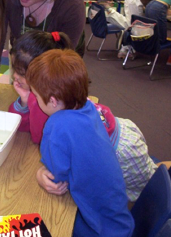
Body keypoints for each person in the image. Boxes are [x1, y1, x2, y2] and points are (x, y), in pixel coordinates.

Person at [9, 30, 157, 202]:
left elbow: (37, 137)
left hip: (120, 153)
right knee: (150, 171)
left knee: (150, 191)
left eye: (20, 74)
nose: (14, 77)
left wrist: (41, 173)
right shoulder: (57, 91)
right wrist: (26, 100)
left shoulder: (46, 105)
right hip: (123, 132)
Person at [26, 49, 134, 236]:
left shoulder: (58, 124)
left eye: (35, 95)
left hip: (98, 227)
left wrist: (39, 174)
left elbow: (56, 180)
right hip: (118, 219)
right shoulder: (88, 106)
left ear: (52, 100)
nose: (35, 99)